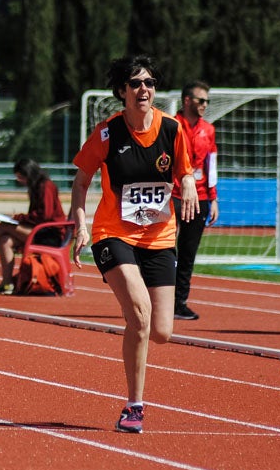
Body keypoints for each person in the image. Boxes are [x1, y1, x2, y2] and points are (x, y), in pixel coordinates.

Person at [69, 55, 197, 433]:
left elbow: (185, 171)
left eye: (150, 83)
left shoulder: (172, 129)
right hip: (114, 234)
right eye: (136, 83)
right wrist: (80, 225)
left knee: (161, 331)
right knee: (140, 315)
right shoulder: (107, 133)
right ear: (122, 91)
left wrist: (187, 183)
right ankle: (134, 405)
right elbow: (80, 181)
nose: (144, 89)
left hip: (159, 236)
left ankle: (135, 327)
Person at [0, 158, 66, 294]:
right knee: (5, 240)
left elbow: (44, 216)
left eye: (20, 177)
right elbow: (36, 216)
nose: (19, 181)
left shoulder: (46, 186)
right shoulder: (35, 187)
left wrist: (19, 218)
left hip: (51, 234)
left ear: (28, 174)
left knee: (4, 226)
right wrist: (20, 220)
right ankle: (7, 284)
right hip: (40, 230)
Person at [172, 80, 219, 320]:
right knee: (164, 249)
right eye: (201, 100)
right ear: (187, 100)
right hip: (174, 195)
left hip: (200, 197)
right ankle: (158, 297)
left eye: (207, 101)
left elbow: (211, 166)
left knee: (188, 252)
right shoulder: (170, 125)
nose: (205, 105)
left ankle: (179, 302)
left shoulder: (208, 130)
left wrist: (214, 198)